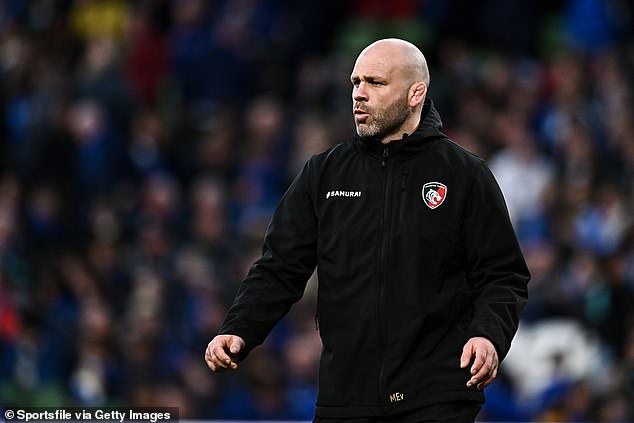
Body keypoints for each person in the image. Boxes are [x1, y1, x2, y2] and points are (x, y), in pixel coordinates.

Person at [205, 38, 530, 423]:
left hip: (436, 396)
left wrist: (488, 335)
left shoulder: (464, 175)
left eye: (375, 83)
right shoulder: (323, 174)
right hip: (345, 398)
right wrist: (239, 328)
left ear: (416, 93)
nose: (359, 94)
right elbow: (279, 268)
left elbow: (503, 275)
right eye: (356, 82)